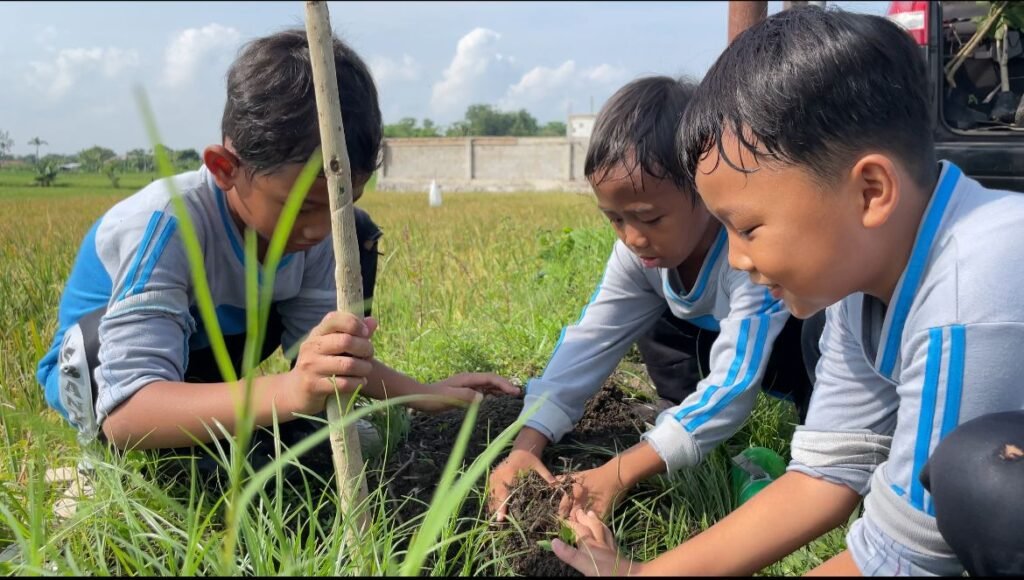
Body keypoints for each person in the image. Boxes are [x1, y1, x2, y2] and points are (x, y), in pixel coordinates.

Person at [551, 6, 1024, 576]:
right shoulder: (862, 284)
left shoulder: (968, 291)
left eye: (747, 228)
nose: (738, 258)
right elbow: (826, 473)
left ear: (871, 191)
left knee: (984, 484)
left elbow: (905, 556)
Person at [35, 28, 516, 486]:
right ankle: (105, 465)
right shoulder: (166, 224)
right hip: (109, 385)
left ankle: (219, 432)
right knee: (215, 480)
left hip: (203, 365)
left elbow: (326, 352)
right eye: (300, 208)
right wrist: (287, 394)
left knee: (354, 443)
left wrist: (423, 393)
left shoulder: (317, 229)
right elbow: (127, 411)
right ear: (225, 169)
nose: (321, 228)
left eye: (337, 206)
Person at [489, 75, 819, 522]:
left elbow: (733, 386)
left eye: (649, 218)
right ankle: (681, 423)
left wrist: (619, 472)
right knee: (649, 313)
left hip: (786, 345)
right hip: (699, 335)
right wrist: (527, 444)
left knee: (812, 397)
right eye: (615, 219)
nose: (632, 238)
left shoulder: (749, 257)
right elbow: (589, 344)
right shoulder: (637, 254)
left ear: (705, 191)